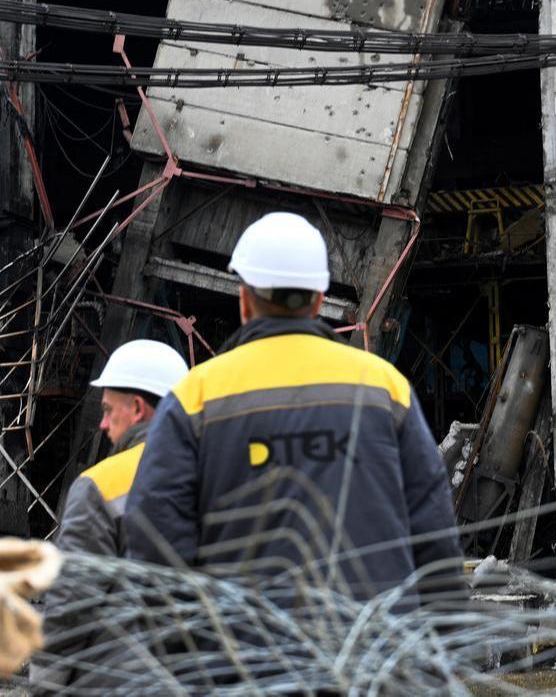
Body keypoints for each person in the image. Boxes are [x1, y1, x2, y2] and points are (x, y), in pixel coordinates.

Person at [125, 212, 463, 605]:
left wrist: (189, 653)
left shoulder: (194, 397)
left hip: (241, 658)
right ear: (319, 299)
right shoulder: (384, 388)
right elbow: (434, 536)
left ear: (245, 298)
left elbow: (155, 547)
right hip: (370, 654)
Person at [32, 339, 188, 688]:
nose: (102, 425)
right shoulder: (223, 475)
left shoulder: (103, 484)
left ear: (136, 408)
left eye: (106, 410)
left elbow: (71, 605)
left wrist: (46, 684)